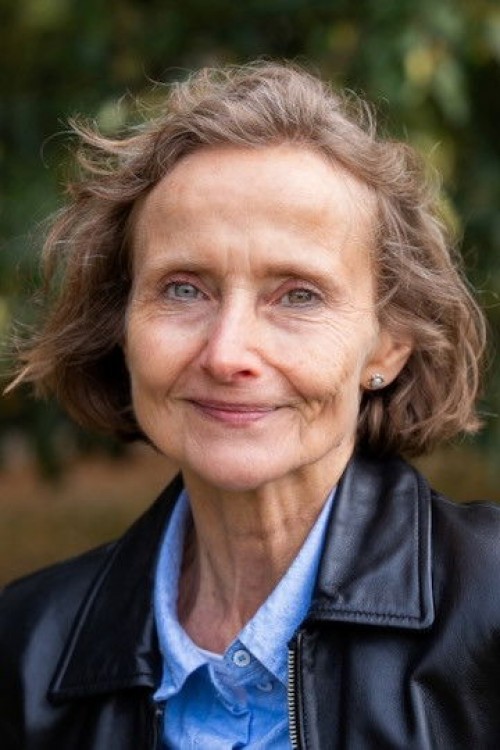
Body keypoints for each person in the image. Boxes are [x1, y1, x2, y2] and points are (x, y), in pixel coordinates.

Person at [1, 61, 499, 750]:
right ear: (121, 324)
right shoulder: (25, 649)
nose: (227, 353)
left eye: (298, 295)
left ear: (389, 345)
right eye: (183, 289)